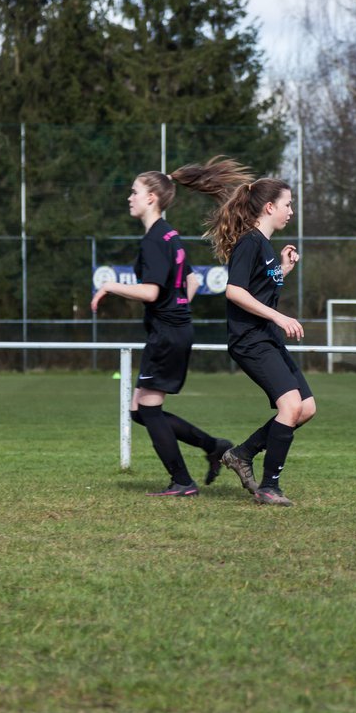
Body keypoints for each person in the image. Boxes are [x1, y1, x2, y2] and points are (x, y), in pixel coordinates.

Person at [175, 158, 315, 506]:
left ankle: (241, 455)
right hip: (250, 339)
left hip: (266, 337)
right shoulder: (250, 243)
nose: (290, 212)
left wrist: (282, 269)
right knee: (290, 406)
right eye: (287, 205)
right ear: (270, 207)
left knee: (306, 408)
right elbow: (235, 292)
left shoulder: (264, 246)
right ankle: (269, 486)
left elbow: (260, 290)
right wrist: (280, 318)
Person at [91, 170, 232, 497]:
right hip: (174, 330)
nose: (130, 197)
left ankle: (182, 481)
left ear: (151, 197)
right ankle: (213, 446)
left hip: (167, 335)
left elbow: (153, 292)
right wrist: (178, 310)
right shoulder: (171, 235)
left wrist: (109, 286)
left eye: (134, 191)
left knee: (149, 411)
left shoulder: (155, 239)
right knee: (138, 411)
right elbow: (192, 283)